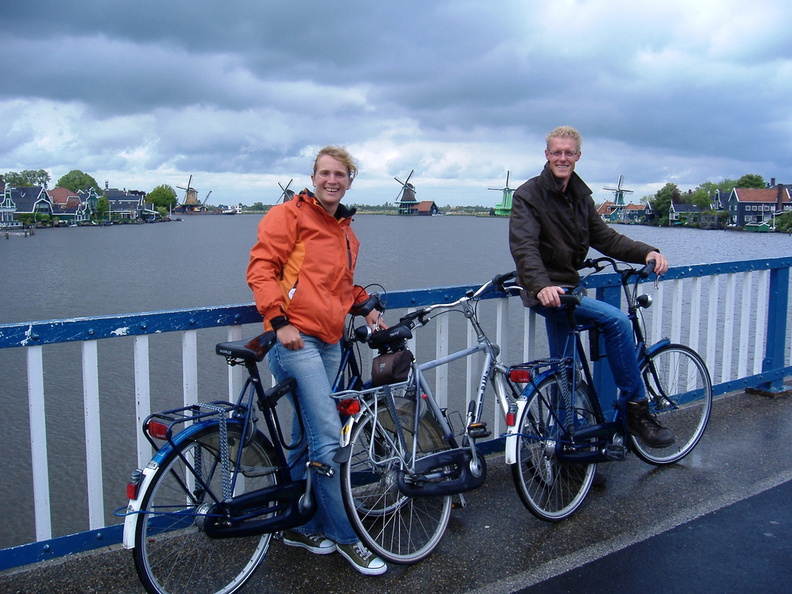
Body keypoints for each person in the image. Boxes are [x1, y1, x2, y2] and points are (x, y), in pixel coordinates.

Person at [247, 146, 387, 575]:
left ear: (349, 180)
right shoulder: (288, 216)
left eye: (340, 175)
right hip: (294, 342)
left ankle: (297, 522)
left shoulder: (346, 231)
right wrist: (278, 320)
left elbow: (338, 286)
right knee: (328, 433)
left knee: (306, 432)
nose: (332, 180)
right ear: (313, 177)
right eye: (325, 173)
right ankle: (347, 537)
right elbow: (261, 269)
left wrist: (364, 306)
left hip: (329, 341)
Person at [509, 126, 675, 448]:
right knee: (617, 321)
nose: (562, 158)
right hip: (547, 293)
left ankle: (573, 449)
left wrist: (646, 252)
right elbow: (524, 246)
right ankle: (636, 410)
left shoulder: (581, 198)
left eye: (568, 153)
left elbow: (607, 239)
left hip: (568, 292)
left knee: (566, 374)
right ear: (546, 155)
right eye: (556, 152)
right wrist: (542, 285)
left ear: (577, 156)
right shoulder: (528, 195)